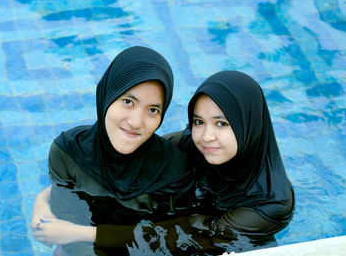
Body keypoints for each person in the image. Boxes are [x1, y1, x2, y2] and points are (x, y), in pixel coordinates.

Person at [91, 70, 294, 255]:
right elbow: (139, 152)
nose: (206, 137)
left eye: (221, 123)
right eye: (199, 122)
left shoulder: (270, 202)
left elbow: (186, 235)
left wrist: (87, 233)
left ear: (249, 125)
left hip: (222, 241)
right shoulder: (192, 146)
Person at [30, 46, 194, 255]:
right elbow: (67, 227)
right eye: (128, 102)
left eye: (153, 110)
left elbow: (170, 240)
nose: (136, 122)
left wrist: (87, 233)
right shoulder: (68, 152)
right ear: (107, 96)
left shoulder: (173, 169)